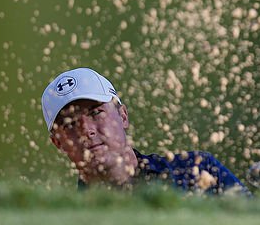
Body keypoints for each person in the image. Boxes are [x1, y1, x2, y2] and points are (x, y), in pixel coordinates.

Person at [41, 67, 248, 194]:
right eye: (70, 124)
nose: (86, 130)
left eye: (96, 113)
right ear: (58, 143)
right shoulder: (71, 220)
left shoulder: (194, 173)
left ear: (123, 116)